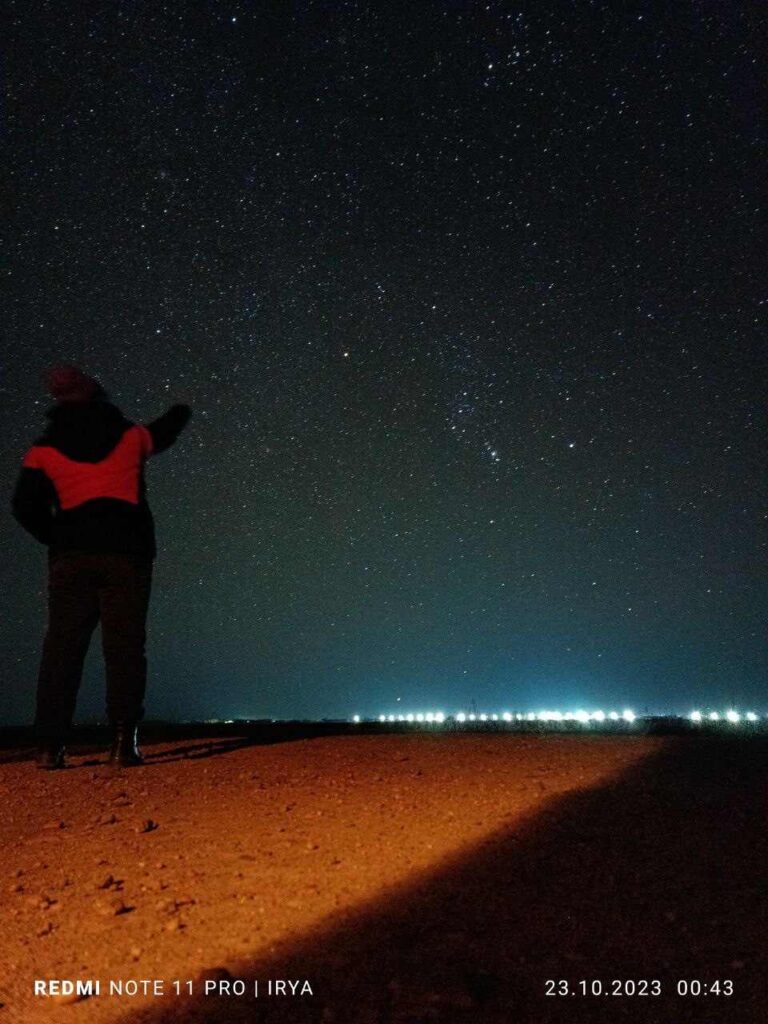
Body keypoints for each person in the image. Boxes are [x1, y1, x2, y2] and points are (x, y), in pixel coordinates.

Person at [12, 365, 192, 769]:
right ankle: (122, 744)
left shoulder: (42, 450)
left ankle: (49, 748)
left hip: (70, 559)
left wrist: (60, 537)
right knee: (125, 648)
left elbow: (24, 507)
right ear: (99, 395)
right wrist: (182, 408)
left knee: (61, 650)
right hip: (127, 556)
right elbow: (165, 430)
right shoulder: (131, 437)